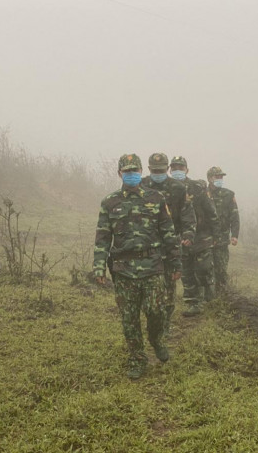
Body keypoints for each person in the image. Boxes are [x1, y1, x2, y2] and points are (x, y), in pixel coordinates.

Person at [93, 154, 182, 379]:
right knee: (129, 318)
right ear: (119, 173)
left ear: (141, 172)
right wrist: (99, 266)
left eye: (135, 171)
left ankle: (156, 338)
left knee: (156, 310)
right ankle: (137, 358)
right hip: (123, 269)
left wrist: (175, 263)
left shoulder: (156, 198)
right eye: (127, 171)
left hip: (152, 265)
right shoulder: (109, 202)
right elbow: (103, 237)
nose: (131, 175)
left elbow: (168, 233)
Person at [141, 153, 196, 336]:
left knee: (169, 291)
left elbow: (187, 215)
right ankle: (153, 325)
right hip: (145, 247)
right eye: (155, 170)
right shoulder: (140, 185)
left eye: (162, 170)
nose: (158, 173)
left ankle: (164, 327)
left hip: (170, 245)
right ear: (149, 169)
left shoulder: (178, 188)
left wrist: (188, 233)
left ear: (167, 170)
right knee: (148, 291)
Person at [170, 156, 220, 314]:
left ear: (187, 170)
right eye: (175, 168)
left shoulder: (196, 187)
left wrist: (216, 235)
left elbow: (211, 212)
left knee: (204, 268)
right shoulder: (169, 189)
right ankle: (193, 303)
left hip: (202, 236)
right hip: (181, 237)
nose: (178, 171)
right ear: (170, 170)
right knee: (187, 271)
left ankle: (209, 297)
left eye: (181, 168)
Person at [207, 166, 240, 294]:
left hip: (222, 239)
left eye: (221, 177)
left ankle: (221, 297)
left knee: (221, 269)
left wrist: (234, 235)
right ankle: (206, 297)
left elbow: (234, 216)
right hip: (205, 239)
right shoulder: (202, 193)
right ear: (210, 178)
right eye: (217, 177)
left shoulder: (228, 195)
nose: (220, 179)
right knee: (205, 269)